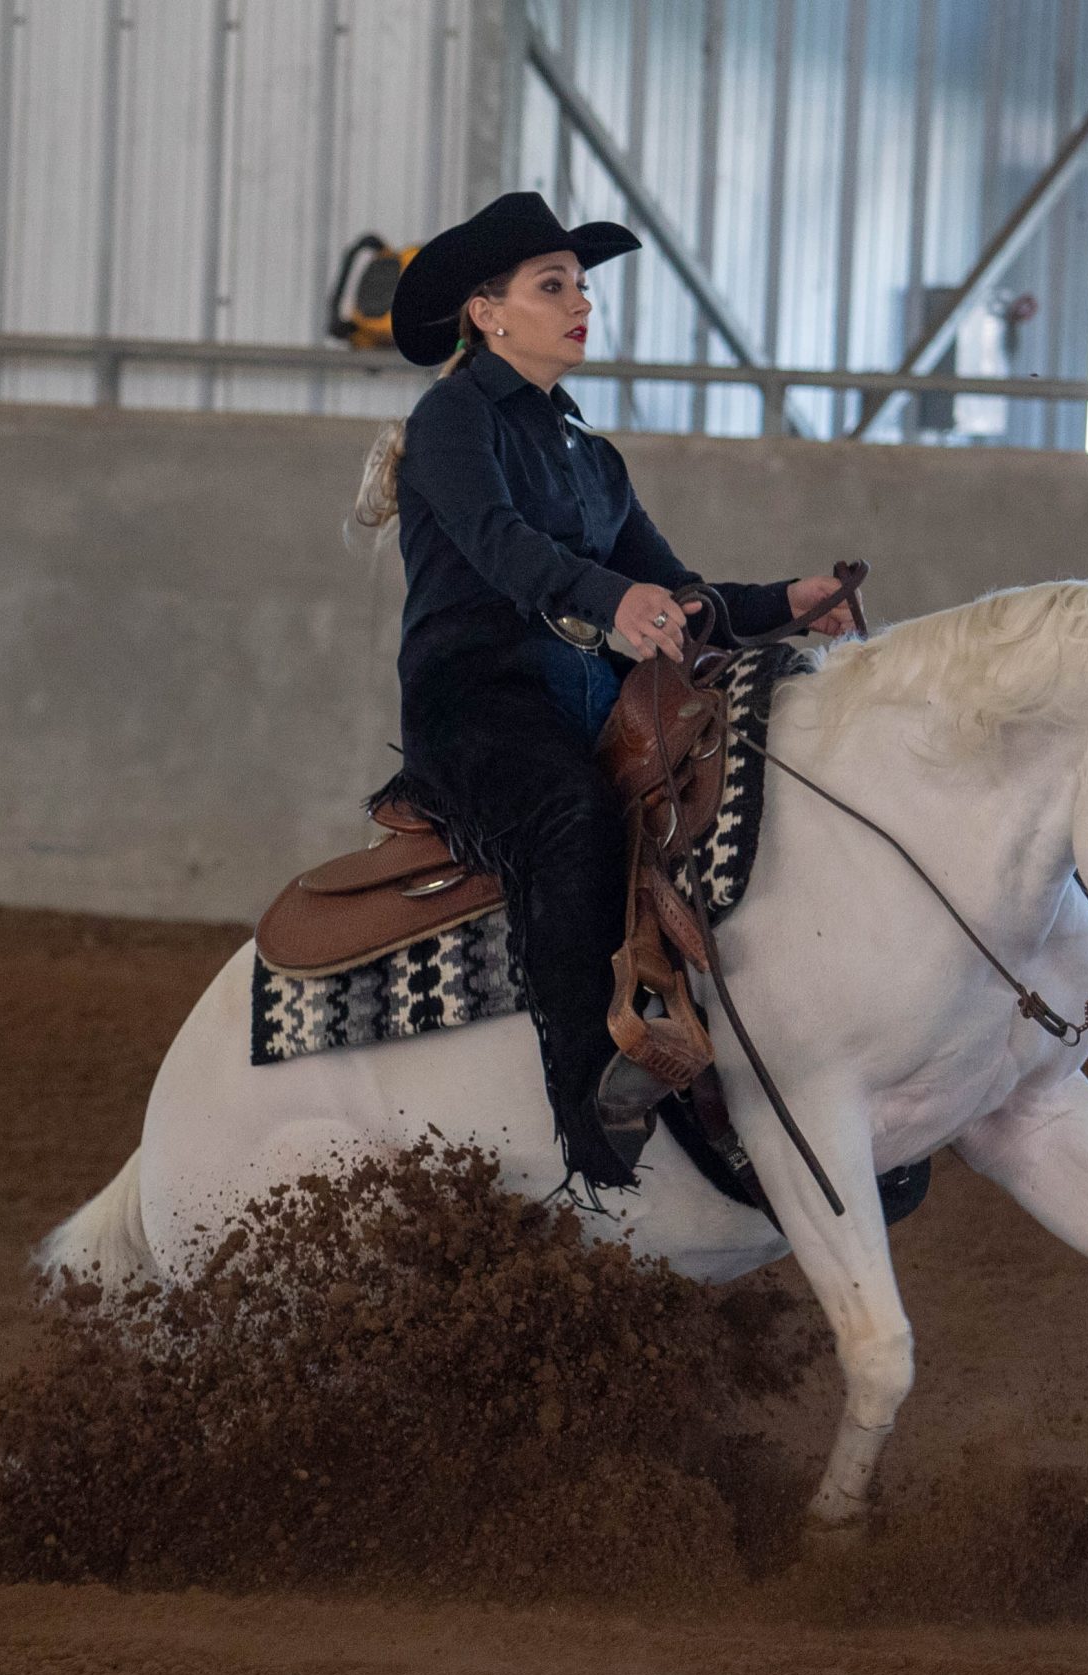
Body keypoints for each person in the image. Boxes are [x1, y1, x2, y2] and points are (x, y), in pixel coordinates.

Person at [355, 191, 851, 1189]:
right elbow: (502, 546)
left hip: (583, 699)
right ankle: (591, 1110)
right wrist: (608, 599)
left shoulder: (591, 453)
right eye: (553, 287)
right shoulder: (451, 420)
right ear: (487, 313)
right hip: (479, 704)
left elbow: (671, 588)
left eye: (581, 286)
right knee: (571, 818)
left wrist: (777, 602)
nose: (581, 302)